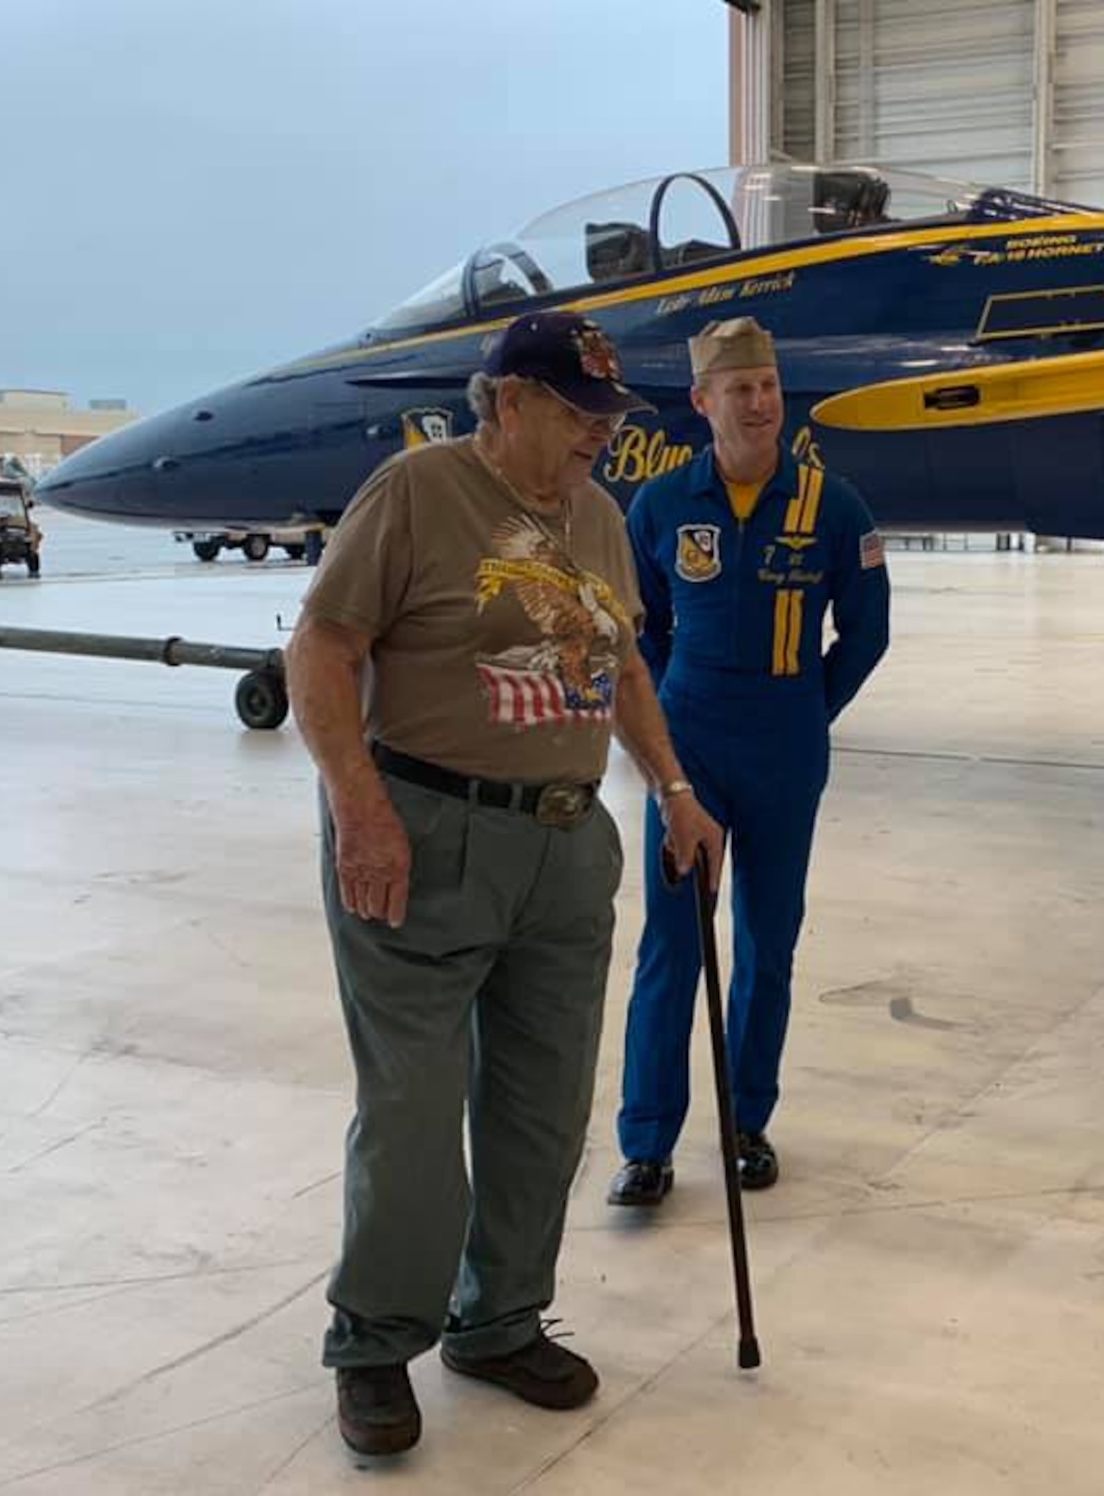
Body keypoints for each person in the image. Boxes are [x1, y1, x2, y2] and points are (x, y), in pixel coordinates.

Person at [285, 310, 724, 1459]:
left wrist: (673, 786)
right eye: (579, 412)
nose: (598, 433)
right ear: (511, 400)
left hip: (564, 848)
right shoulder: (419, 489)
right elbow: (322, 649)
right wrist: (358, 807)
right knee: (416, 1110)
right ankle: (376, 1340)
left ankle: (500, 1319)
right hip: (424, 834)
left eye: (607, 415)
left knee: (540, 1107)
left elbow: (621, 661)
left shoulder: (598, 516)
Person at [607, 315, 890, 1208]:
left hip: (785, 745)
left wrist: (809, 709)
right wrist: (659, 725)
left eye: (768, 385)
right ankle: (646, 1143)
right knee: (672, 944)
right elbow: (639, 629)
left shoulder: (833, 506)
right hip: (689, 747)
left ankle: (746, 1126)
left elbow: (869, 632)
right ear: (703, 402)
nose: (761, 402)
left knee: (769, 944)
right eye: (741, 388)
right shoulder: (658, 507)